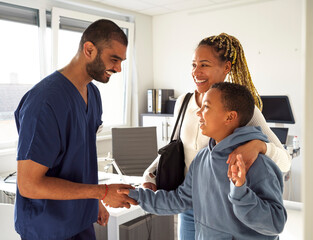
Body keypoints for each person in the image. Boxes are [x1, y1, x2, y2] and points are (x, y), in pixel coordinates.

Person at [142, 33, 291, 239]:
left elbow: (284, 163)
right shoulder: (183, 102)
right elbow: (173, 147)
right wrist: (149, 174)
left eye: (204, 65)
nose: (196, 72)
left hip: (224, 208)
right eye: (193, 65)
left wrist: (259, 146)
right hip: (188, 201)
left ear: (226, 68)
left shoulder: (241, 110)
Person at [14, 19, 137, 240]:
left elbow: (79, 157)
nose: (118, 68)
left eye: (121, 61)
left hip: (80, 220)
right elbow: (29, 185)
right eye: (114, 59)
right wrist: (102, 192)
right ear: (89, 49)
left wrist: (94, 201)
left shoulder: (93, 94)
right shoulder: (45, 102)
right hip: (47, 229)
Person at [122, 82, 287, 239]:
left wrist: (240, 193)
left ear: (230, 117)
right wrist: (135, 196)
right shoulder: (202, 158)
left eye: (206, 107)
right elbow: (181, 199)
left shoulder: (259, 164)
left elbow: (275, 224)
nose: (198, 112)